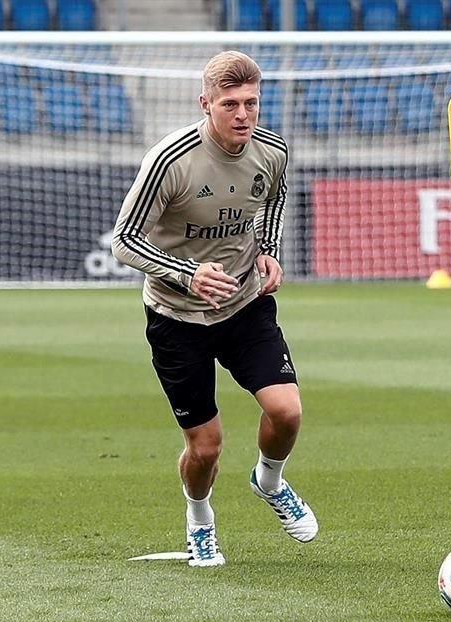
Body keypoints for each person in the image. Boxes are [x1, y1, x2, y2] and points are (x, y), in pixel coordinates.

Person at [111, 50, 317, 567]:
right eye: (230, 104)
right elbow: (124, 240)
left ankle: (269, 481)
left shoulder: (272, 151)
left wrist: (268, 249)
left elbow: (271, 201)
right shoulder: (170, 161)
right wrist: (187, 273)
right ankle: (199, 521)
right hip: (177, 318)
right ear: (206, 104)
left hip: (245, 305)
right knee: (205, 447)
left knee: (287, 411)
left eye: (251, 102)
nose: (243, 114)